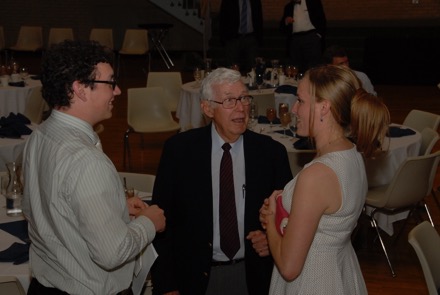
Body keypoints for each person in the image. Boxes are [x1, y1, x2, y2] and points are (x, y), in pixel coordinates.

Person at [22, 40, 166, 295]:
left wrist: (117, 208)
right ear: (80, 90)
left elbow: (48, 207)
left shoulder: (40, 135)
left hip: (45, 287)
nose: (118, 91)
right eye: (110, 82)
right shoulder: (87, 160)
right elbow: (111, 254)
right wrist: (148, 223)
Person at [151, 67, 293, 295]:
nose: (241, 108)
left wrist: (271, 237)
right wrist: (167, 285)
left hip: (254, 275)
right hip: (194, 277)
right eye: (229, 101)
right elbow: (161, 221)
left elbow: (289, 217)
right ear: (207, 108)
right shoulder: (179, 151)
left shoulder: (271, 153)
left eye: (244, 98)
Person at [260, 65, 390, 294]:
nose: (294, 109)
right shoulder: (352, 152)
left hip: (314, 281)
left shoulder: (317, 175)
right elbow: (329, 218)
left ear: (323, 108)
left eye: (300, 100)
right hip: (340, 271)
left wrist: (271, 220)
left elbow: (289, 268)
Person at [280, 0, 327, 74]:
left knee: (314, 66)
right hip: (295, 39)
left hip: (311, 37)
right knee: (295, 66)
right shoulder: (288, 7)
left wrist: (318, 35)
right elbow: (282, 28)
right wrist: (286, 21)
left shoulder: (313, 2)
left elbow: (321, 19)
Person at [219, 0, 263, 72]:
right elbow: (223, 20)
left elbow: (259, 19)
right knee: (232, 67)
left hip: (250, 38)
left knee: (253, 67)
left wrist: (259, 39)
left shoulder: (255, 1)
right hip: (233, 38)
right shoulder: (228, 1)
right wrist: (224, 39)